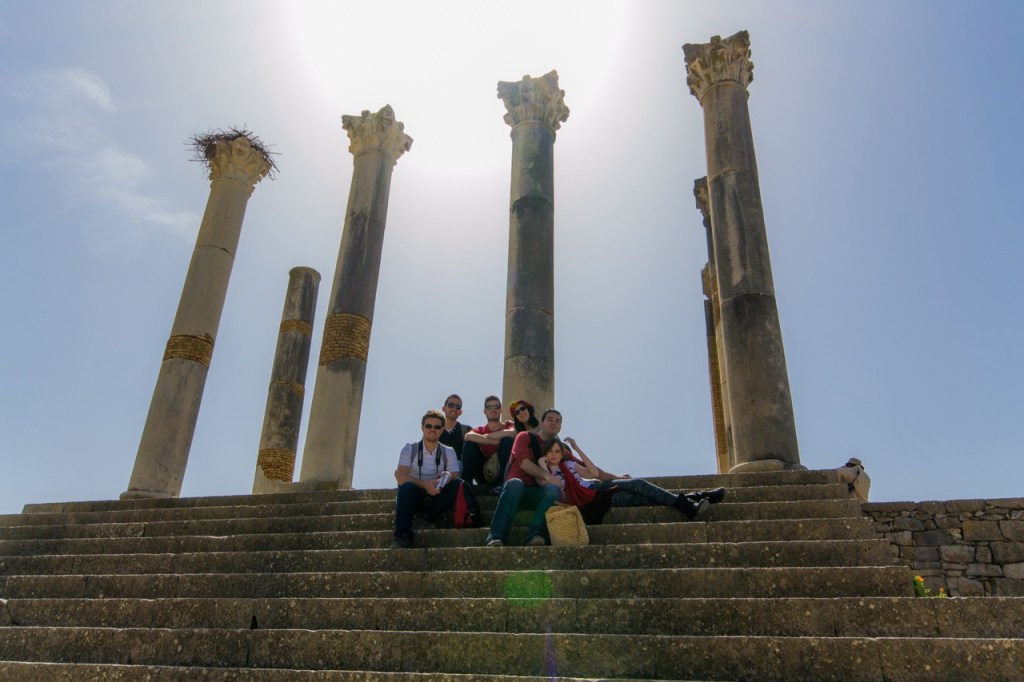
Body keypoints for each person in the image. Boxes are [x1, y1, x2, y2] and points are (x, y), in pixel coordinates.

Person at [544, 436, 719, 520]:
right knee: (640, 498)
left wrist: (576, 448)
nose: (554, 454)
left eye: (558, 451)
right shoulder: (546, 473)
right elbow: (550, 482)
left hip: (597, 488)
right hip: (593, 501)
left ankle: (690, 505)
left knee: (637, 483)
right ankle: (695, 498)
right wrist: (542, 463)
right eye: (550, 451)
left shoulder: (570, 464)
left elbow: (594, 474)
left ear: (563, 453)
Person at [484, 408, 563, 547]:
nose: (553, 423)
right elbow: (524, 463)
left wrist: (603, 479)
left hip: (536, 495)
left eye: (558, 421)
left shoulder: (558, 450)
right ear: (541, 423)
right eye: (550, 419)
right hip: (514, 493)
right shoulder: (524, 436)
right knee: (515, 483)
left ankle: (537, 535)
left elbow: (578, 465)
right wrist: (547, 475)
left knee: (553, 490)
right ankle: (495, 537)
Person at [391, 409, 467, 549]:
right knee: (406, 486)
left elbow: (456, 478)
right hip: (415, 494)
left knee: (458, 484)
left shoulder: (448, 451)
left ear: (442, 429)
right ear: (422, 428)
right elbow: (401, 477)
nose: (432, 430)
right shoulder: (410, 448)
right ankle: (402, 536)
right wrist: (424, 485)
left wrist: (446, 478)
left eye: (437, 427)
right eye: (428, 426)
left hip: (438, 494)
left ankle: (423, 516)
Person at [461, 395, 515, 486]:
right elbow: (468, 436)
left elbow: (513, 433)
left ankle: (501, 485)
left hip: (502, 471)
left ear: (501, 410)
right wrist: (495, 442)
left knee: (507, 441)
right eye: (489, 407)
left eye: (496, 407)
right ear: (485, 411)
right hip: (483, 472)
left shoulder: (508, 426)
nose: (493, 410)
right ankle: (465, 485)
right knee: (469, 445)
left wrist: (487, 437)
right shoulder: (480, 430)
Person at [438, 394, 471, 460]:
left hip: (459, 465)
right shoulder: (435, 429)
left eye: (458, 407)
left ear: (460, 412)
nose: (454, 409)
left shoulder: (466, 430)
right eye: (451, 405)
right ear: (443, 408)